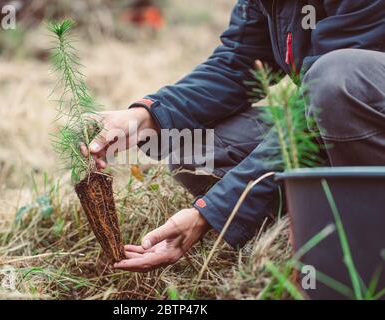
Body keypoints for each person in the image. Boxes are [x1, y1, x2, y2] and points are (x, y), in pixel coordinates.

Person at [80, 0, 385, 273]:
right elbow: (237, 64)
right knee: (194, 151)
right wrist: (145, 116)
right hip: (334, 124)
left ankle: (363, 246)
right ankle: (315, 226)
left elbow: (323, 103)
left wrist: (213, 210)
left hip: (356, 109)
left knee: (336, 78)